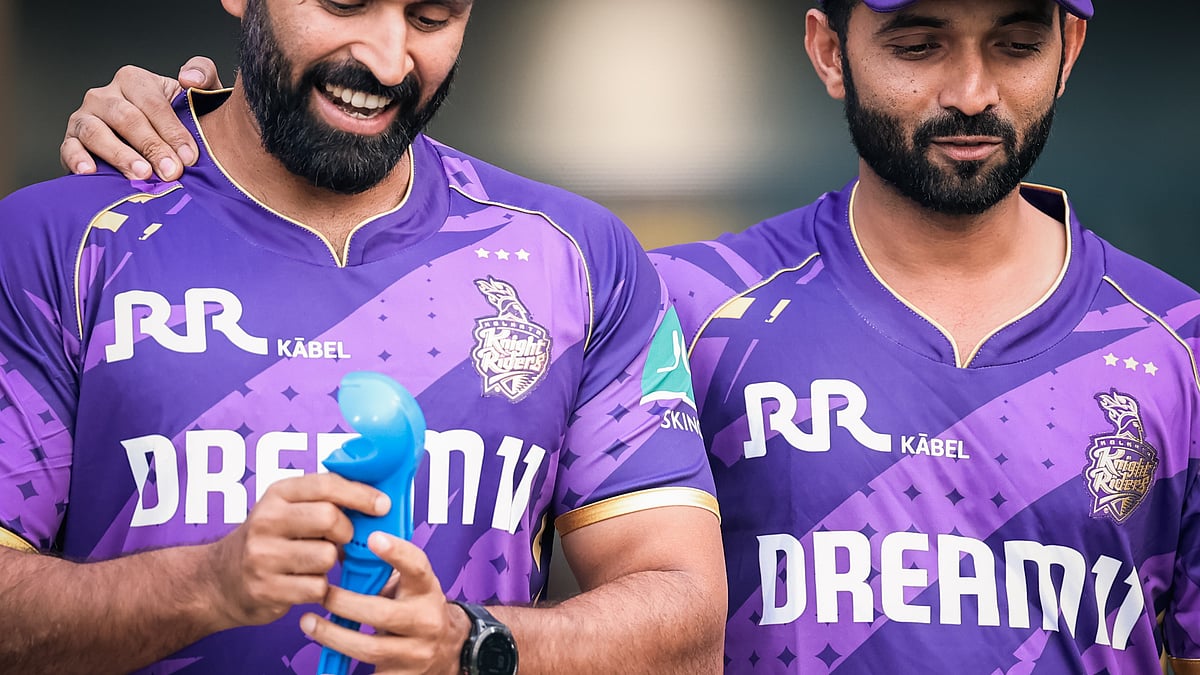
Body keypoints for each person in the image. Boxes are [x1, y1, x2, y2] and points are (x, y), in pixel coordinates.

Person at [50, 0, 1200, 673]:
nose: (970, 91)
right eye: (915, 41)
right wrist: (191, 126)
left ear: (1073, 48)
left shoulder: (1181, 344)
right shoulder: (684, 301)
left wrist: (471, 644)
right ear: (826, 47)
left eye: (1013, 42)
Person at [0, 0, 726, 673]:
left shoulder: (577, 259)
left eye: (431, 15)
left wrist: (469, 644)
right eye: (344, 2)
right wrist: (203, 586)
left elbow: (689, 626)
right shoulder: (58, 241)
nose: (387, 59)